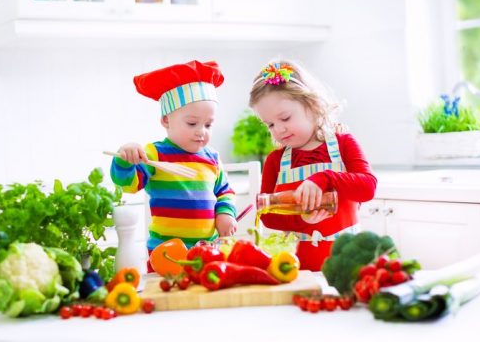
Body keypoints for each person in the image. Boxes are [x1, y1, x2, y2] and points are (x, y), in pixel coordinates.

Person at [249, 60, 377, 271]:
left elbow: (368, 188)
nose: (279, 130)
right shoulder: (276, 161)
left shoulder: (343, 143)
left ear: (311, 105)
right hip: (298, 269)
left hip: (349, 266)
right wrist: (302, 219)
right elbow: (268, 216)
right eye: (270, 124)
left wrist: (325, 178)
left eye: (285, 118)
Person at [110, 60, 237, 272]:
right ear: (166, 120)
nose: (201, 131)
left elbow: (225, 192)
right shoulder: (154, 154)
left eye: (208, 124)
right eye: (192, 123)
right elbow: (128, 185)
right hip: (164, 251)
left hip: (208, 249)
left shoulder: (212, 157)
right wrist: (124, 160)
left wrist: (226, 214)